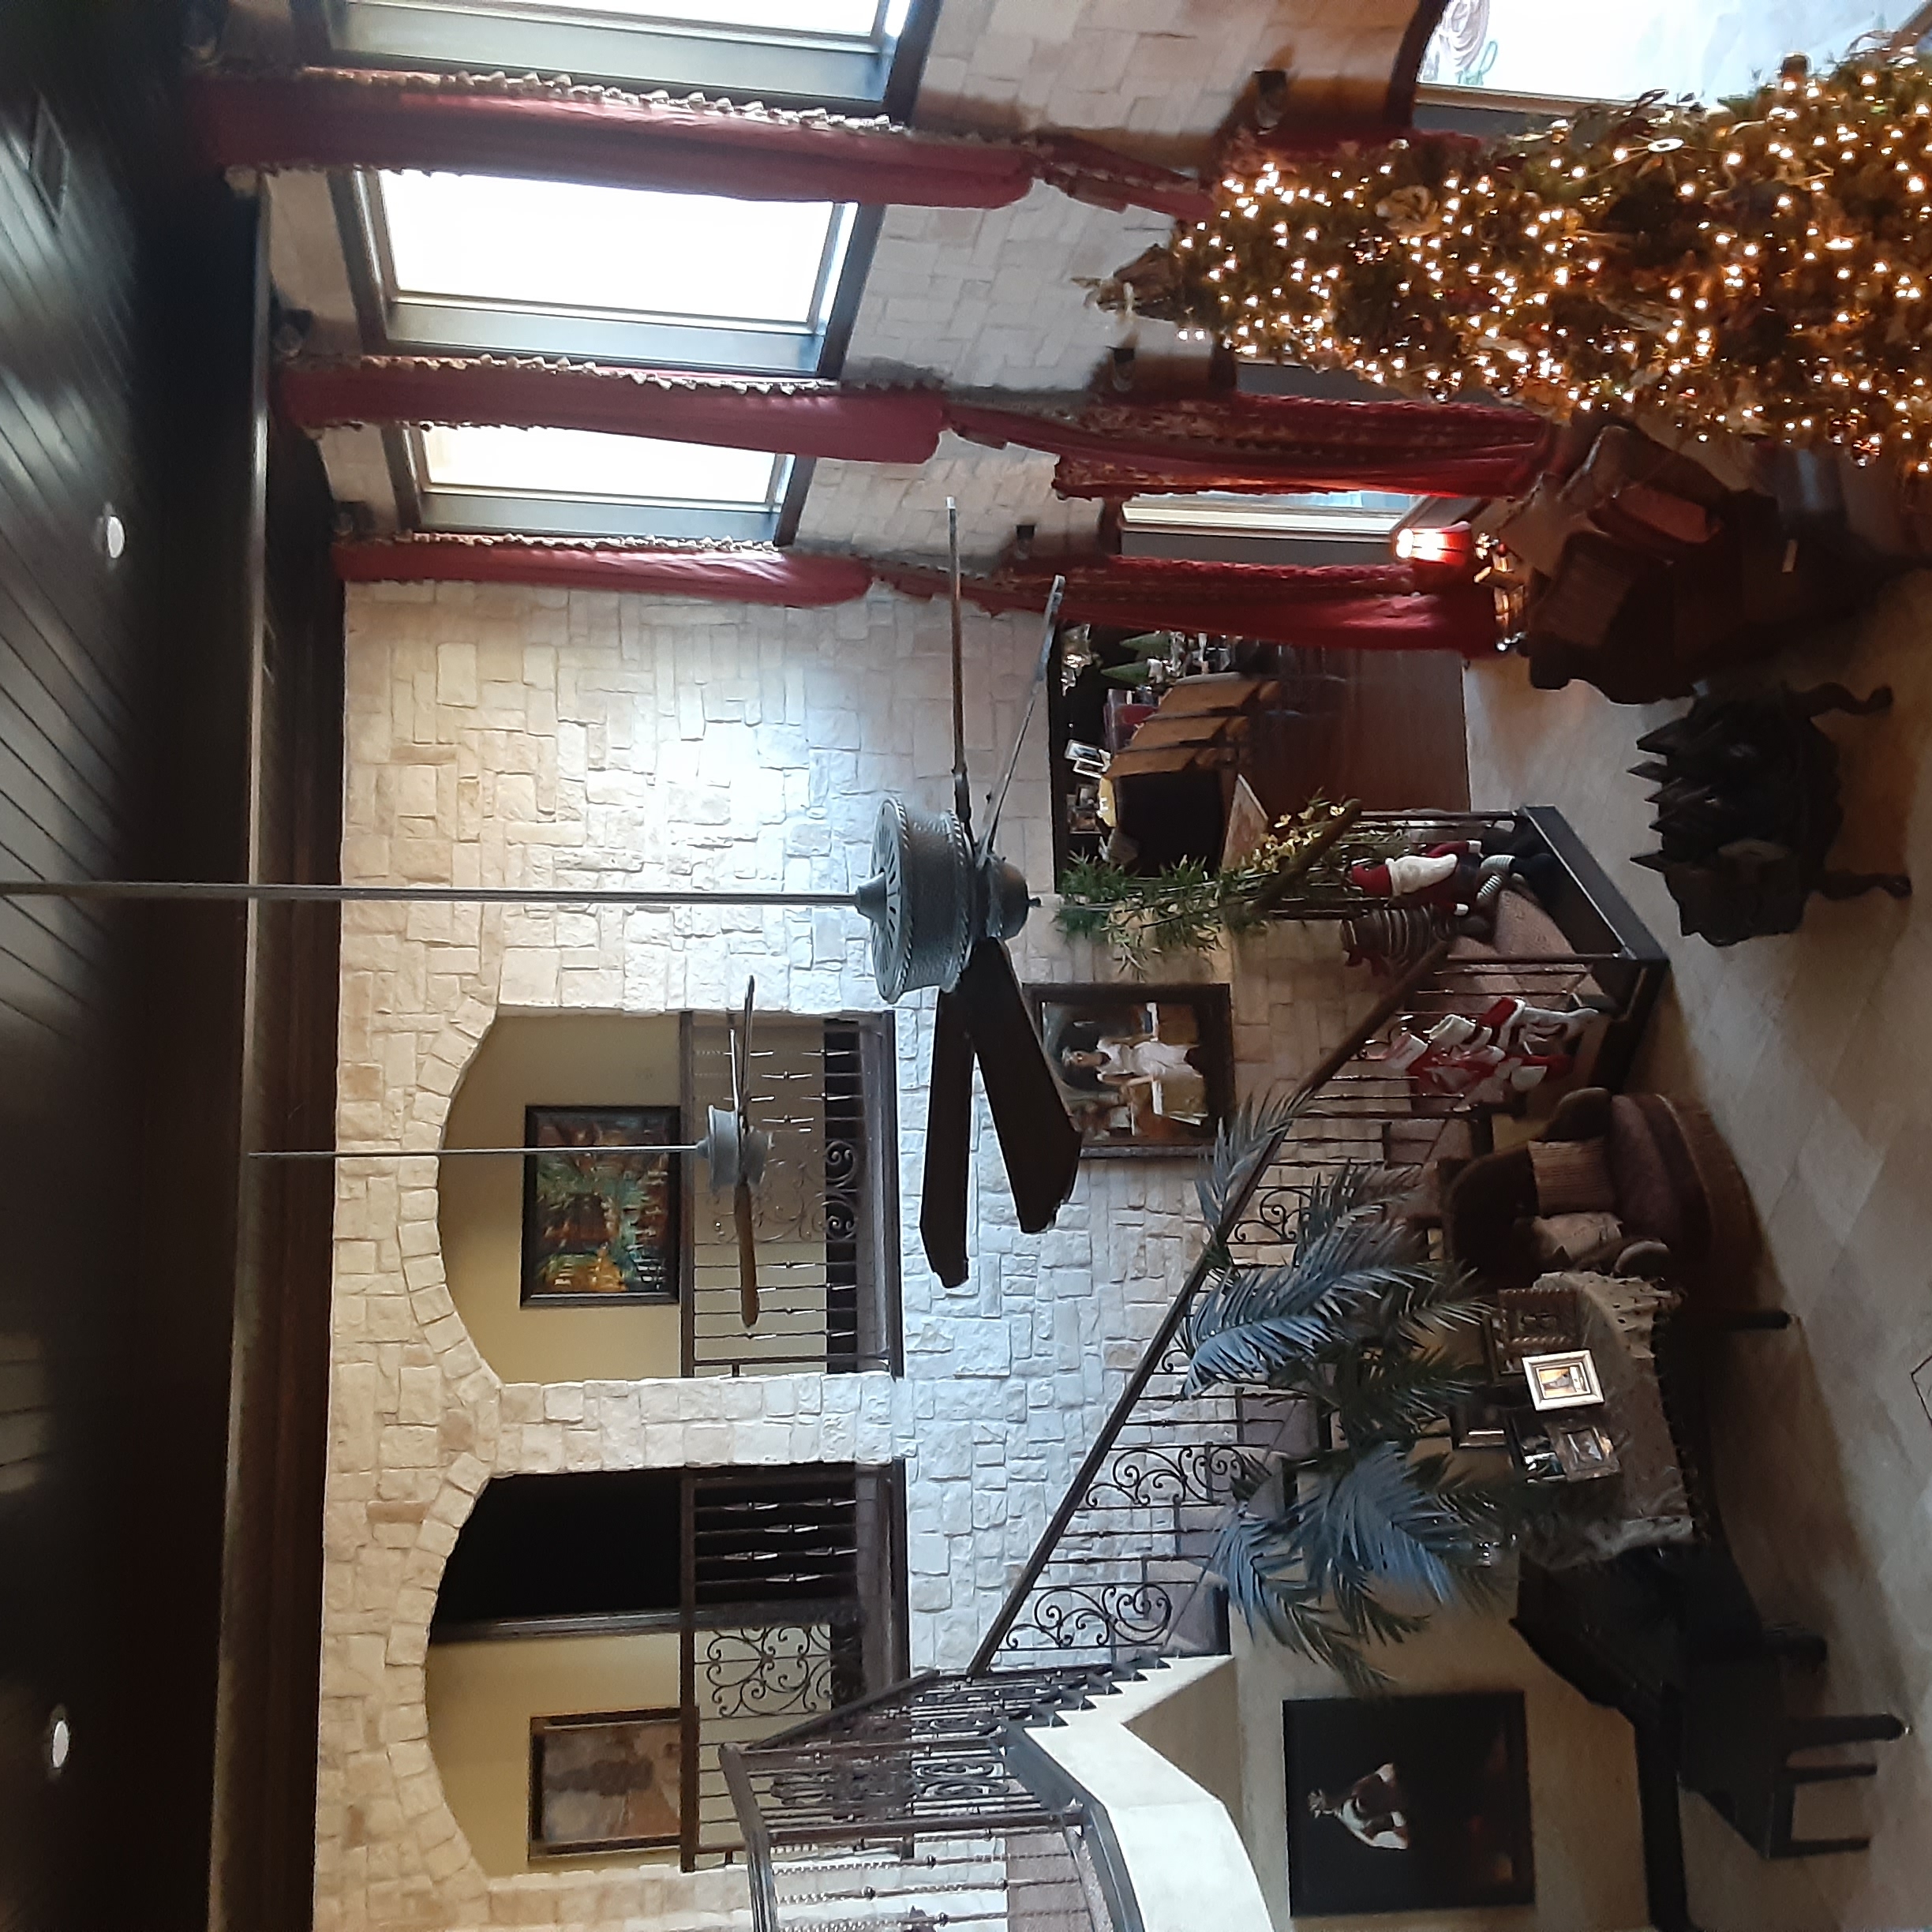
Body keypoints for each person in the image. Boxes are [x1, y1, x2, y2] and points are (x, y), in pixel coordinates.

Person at [1309, 1762, 1411, 1852]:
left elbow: (1388, 1769)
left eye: (1317, 1794)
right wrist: (1396, 1812)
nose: (1319, 1800)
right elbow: (1402, 1841)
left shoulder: (1355, 1784)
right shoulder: (1356, 1827)